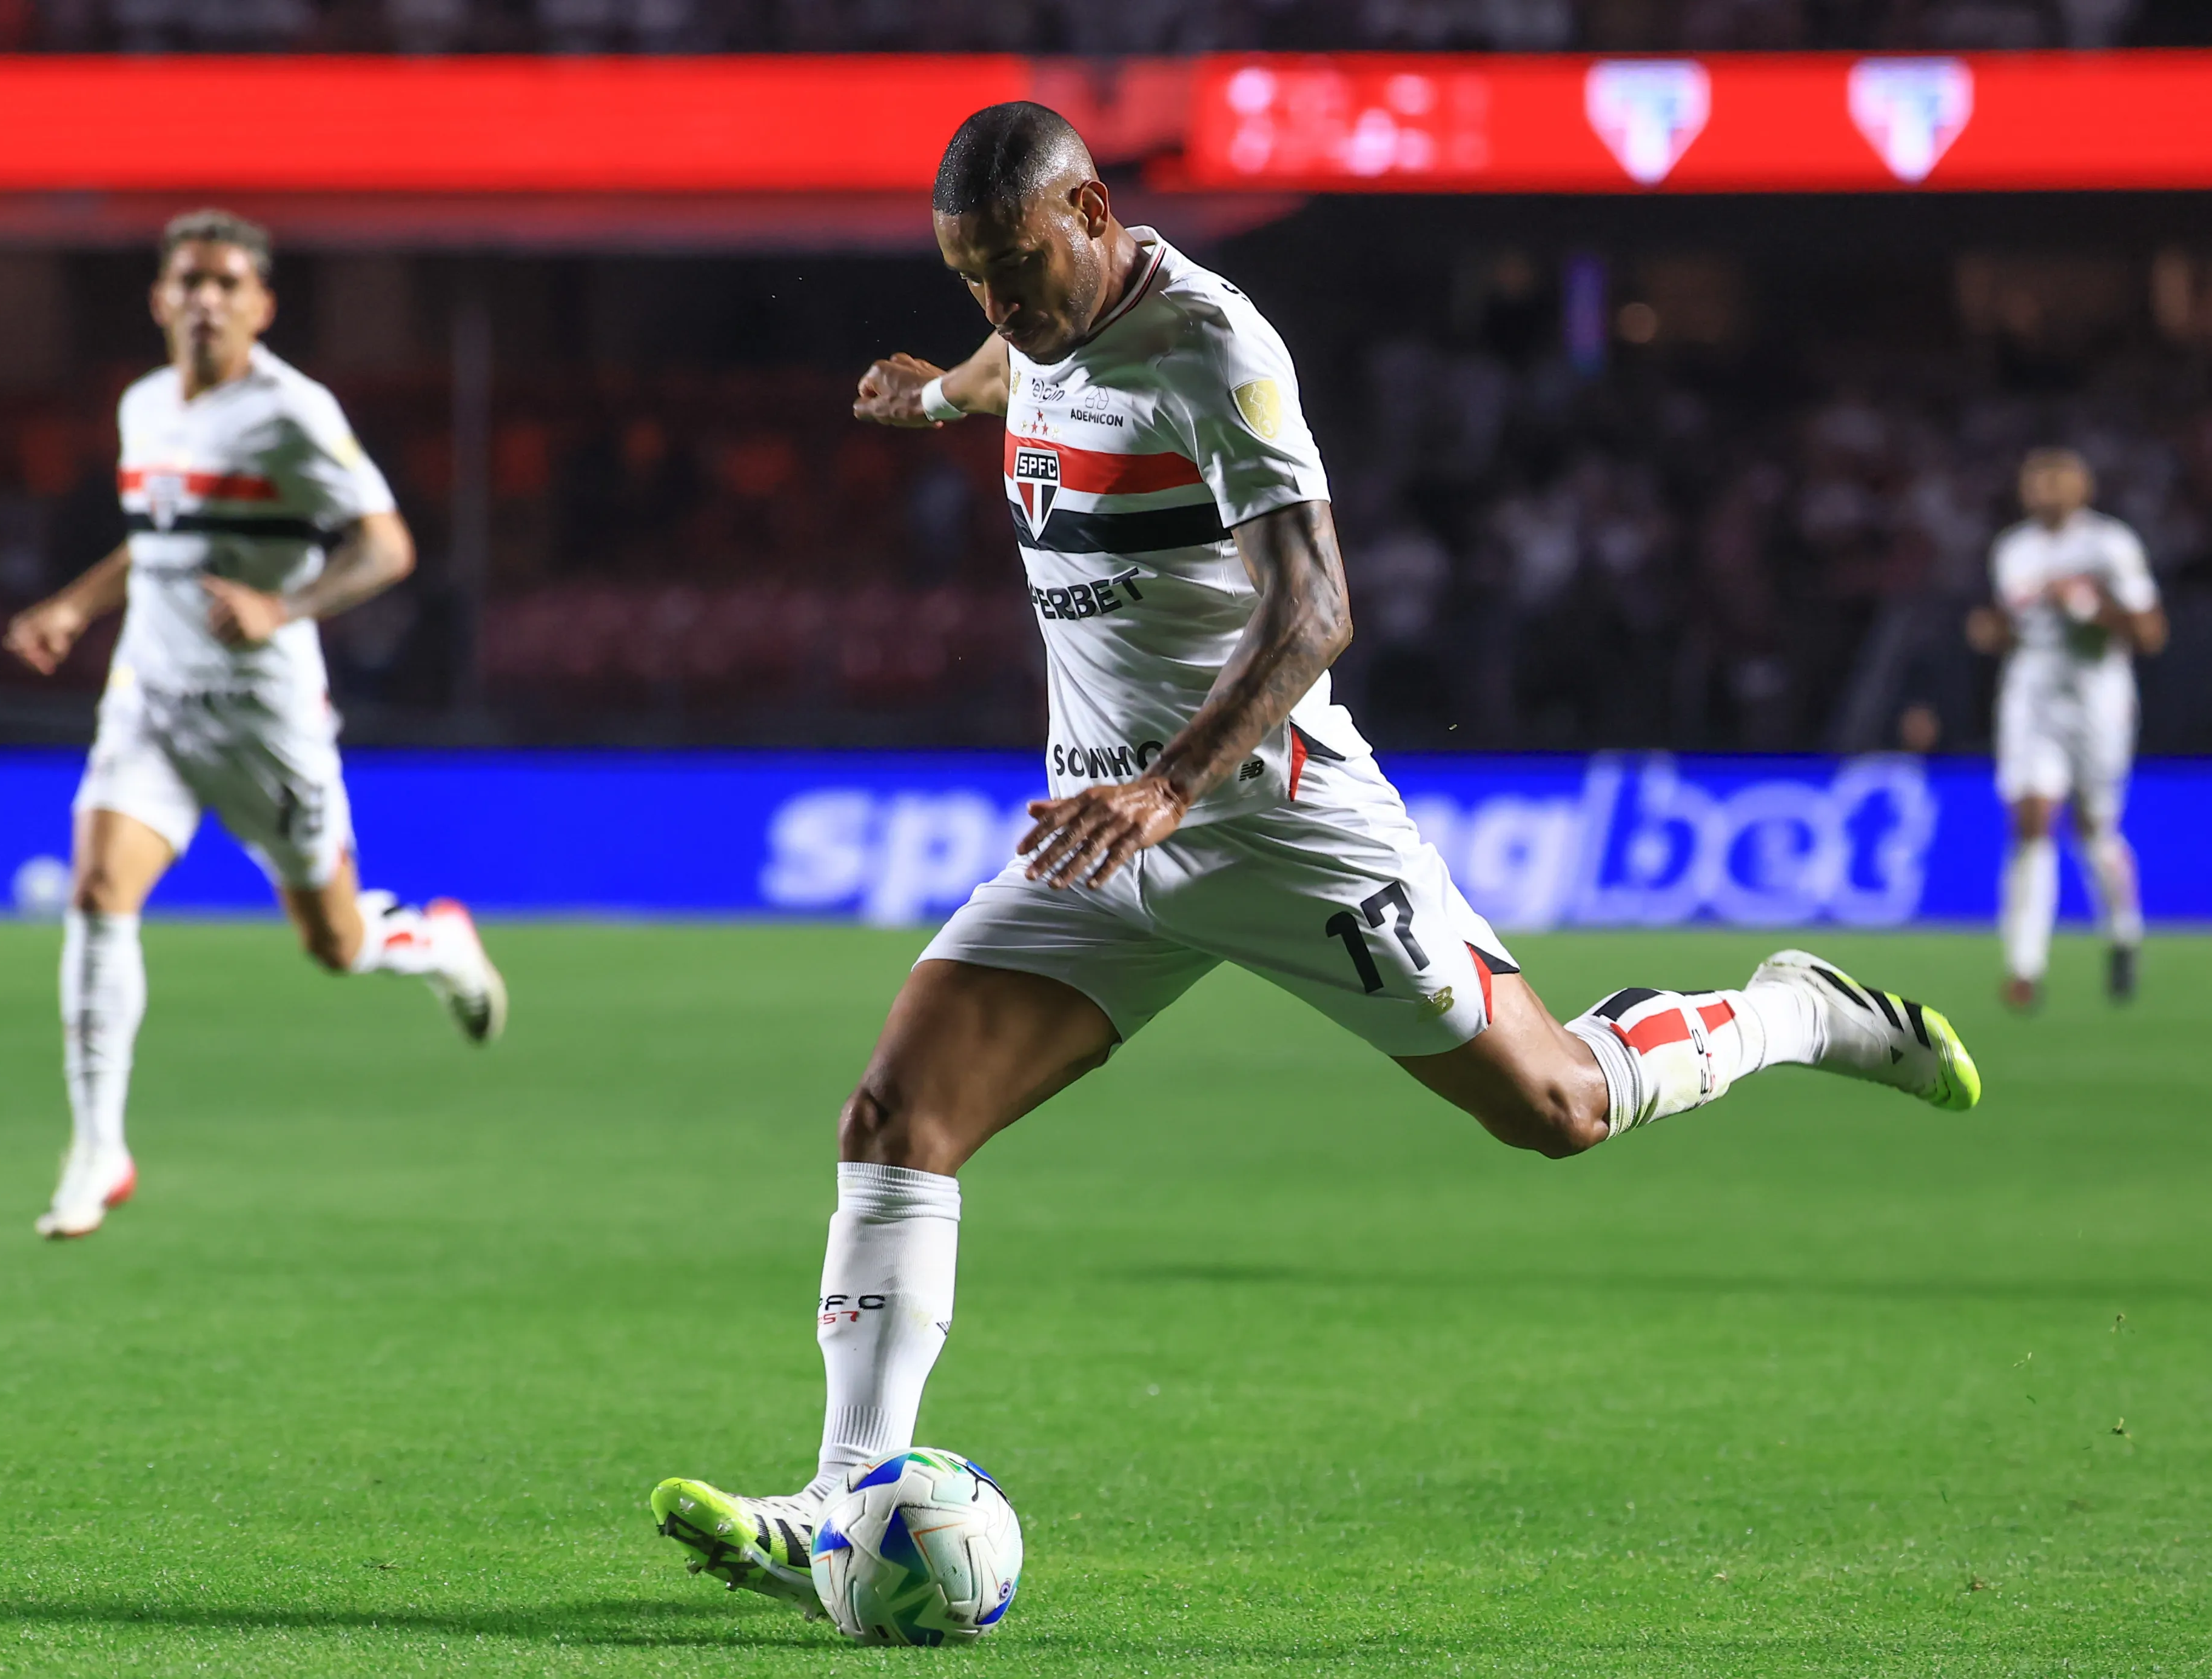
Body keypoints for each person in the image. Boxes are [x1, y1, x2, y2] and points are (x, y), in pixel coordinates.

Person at [644, 104, 1982, 1612]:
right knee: (896, 1112)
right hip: (1099, 832)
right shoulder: (1039, 323)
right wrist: (941, 395)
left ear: (1091, 209)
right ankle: (838, 1501)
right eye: (968, 282)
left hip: (1273, 819)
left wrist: (1172, 785)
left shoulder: (1216, 350)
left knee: (1557, 1107)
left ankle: (1793, 1007)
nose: (996, 308)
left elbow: (1316, 607)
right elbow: (1024, 361)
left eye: (1012, 270)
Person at [4, 209, 506, 1242]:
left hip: (259, 715)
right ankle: (99, 1145)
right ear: (159, 298)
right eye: (188, 281)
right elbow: (155, 544)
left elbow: (387, 548)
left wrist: (286, 605)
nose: (206, 299)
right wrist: (72, 604)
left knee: (334, 941)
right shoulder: (144, 404)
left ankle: (433, 938)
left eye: (227, 284)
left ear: (260, 304)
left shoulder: (291, 412)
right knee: (99, 890)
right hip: (148, 693)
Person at [1966, 447, 2167, 1009]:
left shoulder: (2109, 545)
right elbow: (2011, 623)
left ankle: (2124, 932)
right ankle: (2024, 965)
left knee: (2095, 829)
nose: (2045, 492)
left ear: (2083, 488)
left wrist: (2089, 606)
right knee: (2030, 823)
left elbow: (2150, 633)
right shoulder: (2012, 549)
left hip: (2096, 701)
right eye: (2036, 482)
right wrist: (1992, 631)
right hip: (2031, 698)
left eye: (2058, 482)